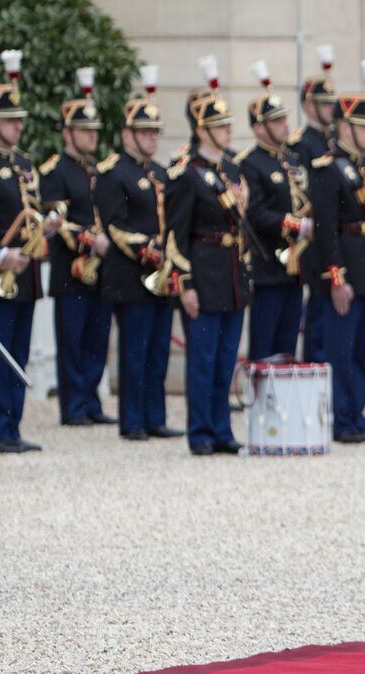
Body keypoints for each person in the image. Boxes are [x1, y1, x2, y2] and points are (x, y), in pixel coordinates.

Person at [0, 50, 62, 453]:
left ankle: (12, 426)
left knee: (19, 351)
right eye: (10, 120)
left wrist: (48, 224)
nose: (19, 126)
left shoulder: (24, 164)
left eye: (19, 119)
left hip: (25, 271)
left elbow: (31, 211)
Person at [165, 88, 255, 456]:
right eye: (220, 125)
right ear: (201, 130)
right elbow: (175, 235)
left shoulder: (231, 168)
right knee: (203, 360)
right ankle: (200, 431)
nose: (228, 130)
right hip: (202, 275)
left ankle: (222, 429)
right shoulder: (185, 174)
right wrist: (185, 283)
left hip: (232, 274)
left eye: (228, 124)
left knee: (225, 359)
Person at [96, 69, 184, 442]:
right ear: (127, 134)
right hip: (131, 275)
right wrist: (151, 251)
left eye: (155, 132)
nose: (152, 137)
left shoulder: (161, 172)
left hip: (161, 277)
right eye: (145, 132)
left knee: (158, 350)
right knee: (135, 351)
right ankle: (132, 421)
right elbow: (115, 226)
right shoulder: (113, 173)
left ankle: (155, 417)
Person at [309, 91, 365, 442]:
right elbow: (325, 230)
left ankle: (357, 414)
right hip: (346, 273)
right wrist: (336, 278)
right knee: (341, 350)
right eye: (363, 126)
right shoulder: (327, 169)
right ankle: (341, 419)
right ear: (344, 127)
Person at [40, 66, 116, 426]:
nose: (92, 136)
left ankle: (91, 402)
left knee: (98, 339)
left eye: (94, 130)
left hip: (101, 269)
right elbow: (58, 220)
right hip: (72, 268)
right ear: (67, 132)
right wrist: (90, 241)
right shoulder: (55, 171)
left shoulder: (99, 170)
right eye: (85, 130)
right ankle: (73, 406)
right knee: (72, 340)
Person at [238, 64, 311, 361]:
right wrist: (299, 226)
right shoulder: (250, 163)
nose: (284, 125)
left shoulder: (292, 160)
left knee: (287, 348)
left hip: (295, 268)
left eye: (284, 119)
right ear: (259, 128)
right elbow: (255, 214)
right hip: (268, 267)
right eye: (276, 121)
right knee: (265, 349)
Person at [289, 45, 339, 364]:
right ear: (309, 106)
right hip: (314, 240)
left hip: (334, 237)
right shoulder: (302, 144)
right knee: (319, 319)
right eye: (324, 103)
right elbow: (301, 195)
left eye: (332, 103)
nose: (330, 109)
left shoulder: (336, 142)